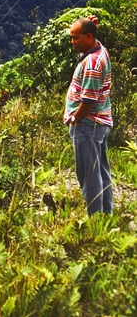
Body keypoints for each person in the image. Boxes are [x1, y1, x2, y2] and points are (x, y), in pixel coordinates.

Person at [63, 16, 113, 215]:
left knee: (89, 175)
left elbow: (89, 99)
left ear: (89, 37)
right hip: (99, 122)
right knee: (101, 171)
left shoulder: (91, 63)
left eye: (76, 38)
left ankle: (95, 220)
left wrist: (75, 118)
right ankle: (106, 217)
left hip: (88, 124)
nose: (72, 42)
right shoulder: (99, 49)